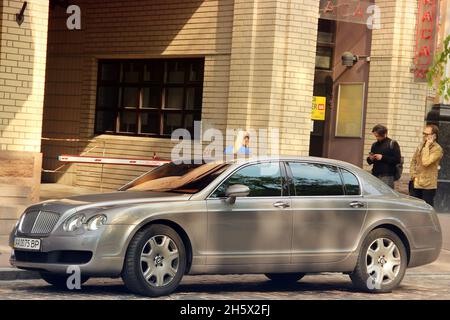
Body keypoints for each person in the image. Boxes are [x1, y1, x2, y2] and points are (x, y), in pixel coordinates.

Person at [410, 124, 444, 207]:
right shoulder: (421, 145)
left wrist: (427, 146)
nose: (424, 136)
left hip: (428, 185)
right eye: (423, 133)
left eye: (427, 134)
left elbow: (426, 162)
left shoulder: (437, 149)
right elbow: (413, 161)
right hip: (416, 182)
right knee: (414, 209)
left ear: (434, 136)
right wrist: (413, 175)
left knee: (426, 210)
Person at [367, 124, 401, 189]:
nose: (377, 138)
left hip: (387, 176)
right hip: (375, 175)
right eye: (375, 136)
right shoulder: (374, 145)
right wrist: (370, 159)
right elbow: (370, 162)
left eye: (378, 136)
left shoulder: (392, 143)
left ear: (384, 134)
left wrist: (382, 157)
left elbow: (397, 160)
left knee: (386, 196)